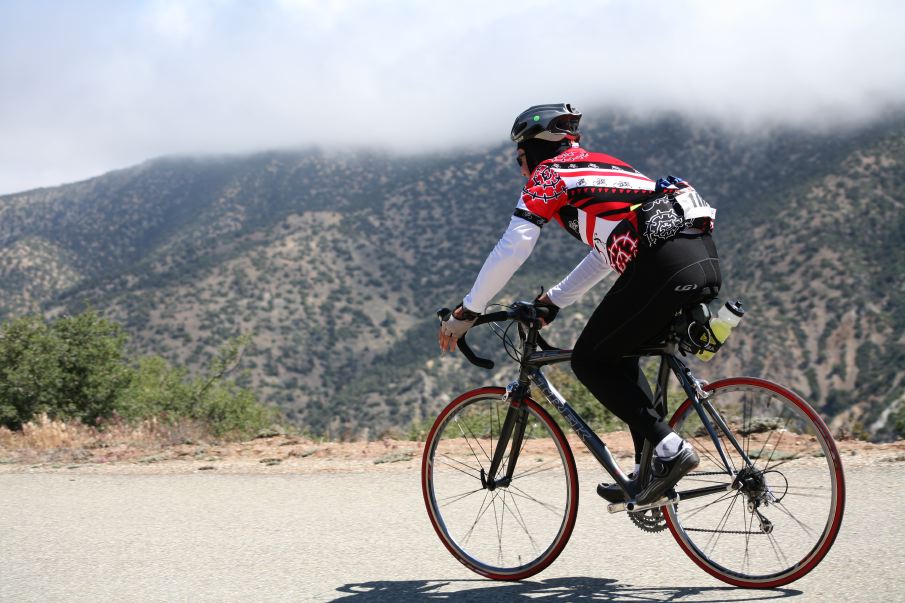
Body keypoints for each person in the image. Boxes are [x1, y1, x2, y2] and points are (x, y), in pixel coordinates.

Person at [437, 103, 721, 504]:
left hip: (662, 264)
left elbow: (514, 246)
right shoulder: (606, 167)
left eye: (519, 157)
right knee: (621, 357)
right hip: (701, 259)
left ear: (534, 149)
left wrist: (469, 310)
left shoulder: (550, 175)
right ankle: (649, 467)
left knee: (590, 360)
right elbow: (609, 250)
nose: (520, 168)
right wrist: (555, 299)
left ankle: (671, 450)